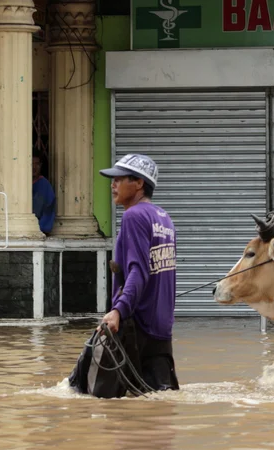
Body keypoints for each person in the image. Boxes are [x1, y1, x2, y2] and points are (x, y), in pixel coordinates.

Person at [98, 153, 179, 391]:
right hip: (161, 328)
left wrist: (117, 311)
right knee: (157, 401)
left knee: (98, 398)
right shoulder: (164, 218)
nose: (112, 185)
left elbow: (138, 271)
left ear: (139, 183)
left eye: (119, 179)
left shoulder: (133, 216)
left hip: (136, 327)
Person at [32, 153, 56, 234]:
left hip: (38, 229)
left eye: (37, 164)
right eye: (31, 164)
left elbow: (48, 210)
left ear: (41, 166)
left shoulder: (44, 185)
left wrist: (41, 228)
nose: (34, 167)